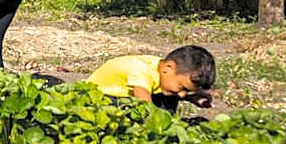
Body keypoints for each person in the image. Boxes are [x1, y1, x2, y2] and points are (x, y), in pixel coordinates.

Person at [86, 45, 216, 111]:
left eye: (187, 90)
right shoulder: (141, 69)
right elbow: (143, 101)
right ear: (168, 68)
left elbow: (175, 90)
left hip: (126, 95)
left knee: (170, 95)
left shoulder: (163, 69)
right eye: (182, 88)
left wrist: (191, 97)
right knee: (143, 110)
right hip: (99, 96)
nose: (182, 95)